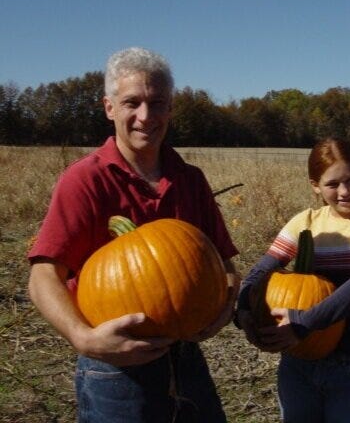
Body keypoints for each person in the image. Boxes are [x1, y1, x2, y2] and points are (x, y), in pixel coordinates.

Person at [27, 47, 239, 423]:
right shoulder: (86, 180)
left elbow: (224, 265)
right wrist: (83, 338)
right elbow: (43, 275)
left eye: (157, 103)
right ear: (109, 107)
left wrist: (222, 310)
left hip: (187, 355)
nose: (145, 116)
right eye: (132, 102)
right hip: (116, 365)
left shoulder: (190, 179)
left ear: (170, 108)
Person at [236, 137, 350, 423]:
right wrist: (243, 312)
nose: (344, 191)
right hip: (299, 362)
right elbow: (260, 270)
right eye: (332, 184)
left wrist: (303, 323)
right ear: (315, 185)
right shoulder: (306, 222)